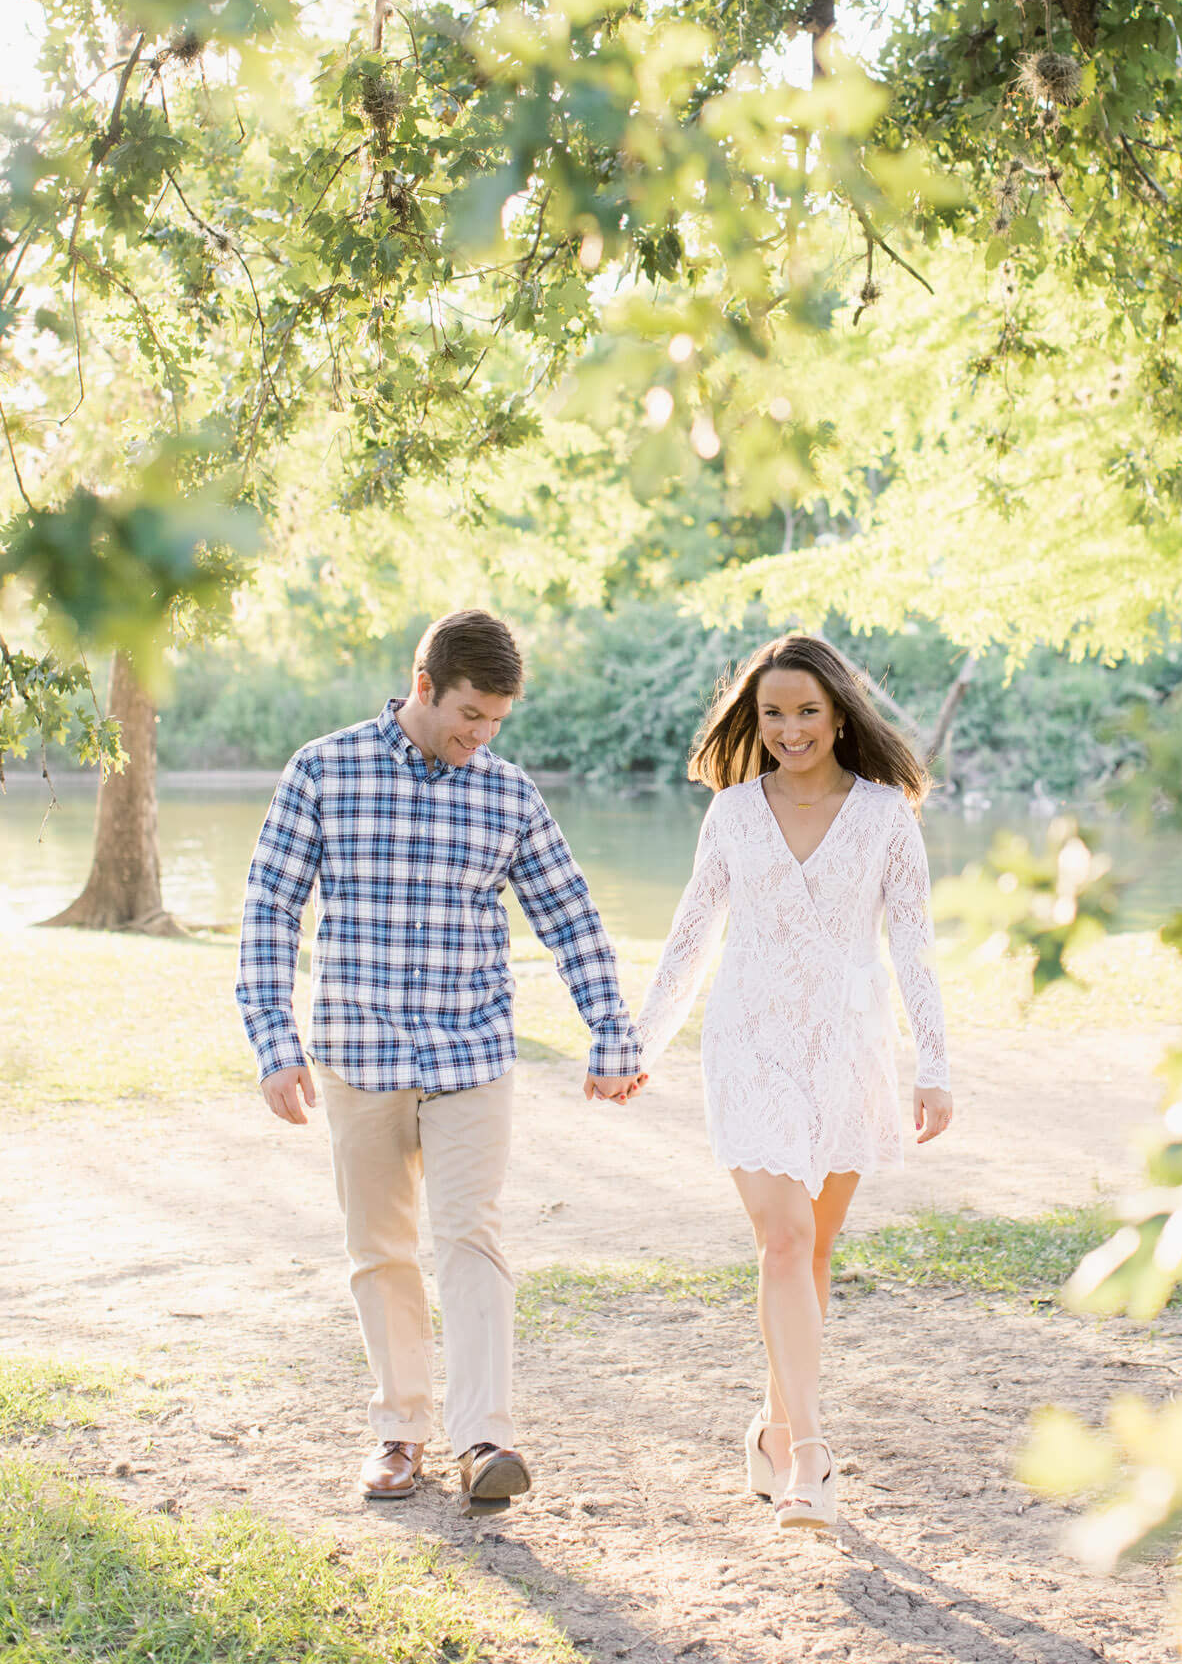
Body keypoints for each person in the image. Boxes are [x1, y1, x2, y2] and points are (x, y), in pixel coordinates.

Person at [234, 608, 645, 1505]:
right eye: (470, 714)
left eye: (497, 720)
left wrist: (610, 1030)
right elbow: (271, 908)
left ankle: (486, 1438)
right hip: (359, 1054)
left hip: (471, 1054)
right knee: (379, 1249)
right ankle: (400, 1433)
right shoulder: (323, 770)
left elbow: (570, 917)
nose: (481, 735)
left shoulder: (508, 794)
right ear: (424, 687)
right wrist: (274, 1040)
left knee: (472, 1237)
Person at [635, 634, 953, 1533]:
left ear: (841, 713)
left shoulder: (888, 816)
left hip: (847, 1050)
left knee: (810, 1252)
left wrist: (934, 1065)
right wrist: (640, 1042)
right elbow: (692, 934)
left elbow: (915, 947)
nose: (788, 729)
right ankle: (811, 1457)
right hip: (750, 1045)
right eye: (772, 713)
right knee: (783, 1241)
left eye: (806, 711)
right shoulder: (732, 814)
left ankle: (773, 1435)